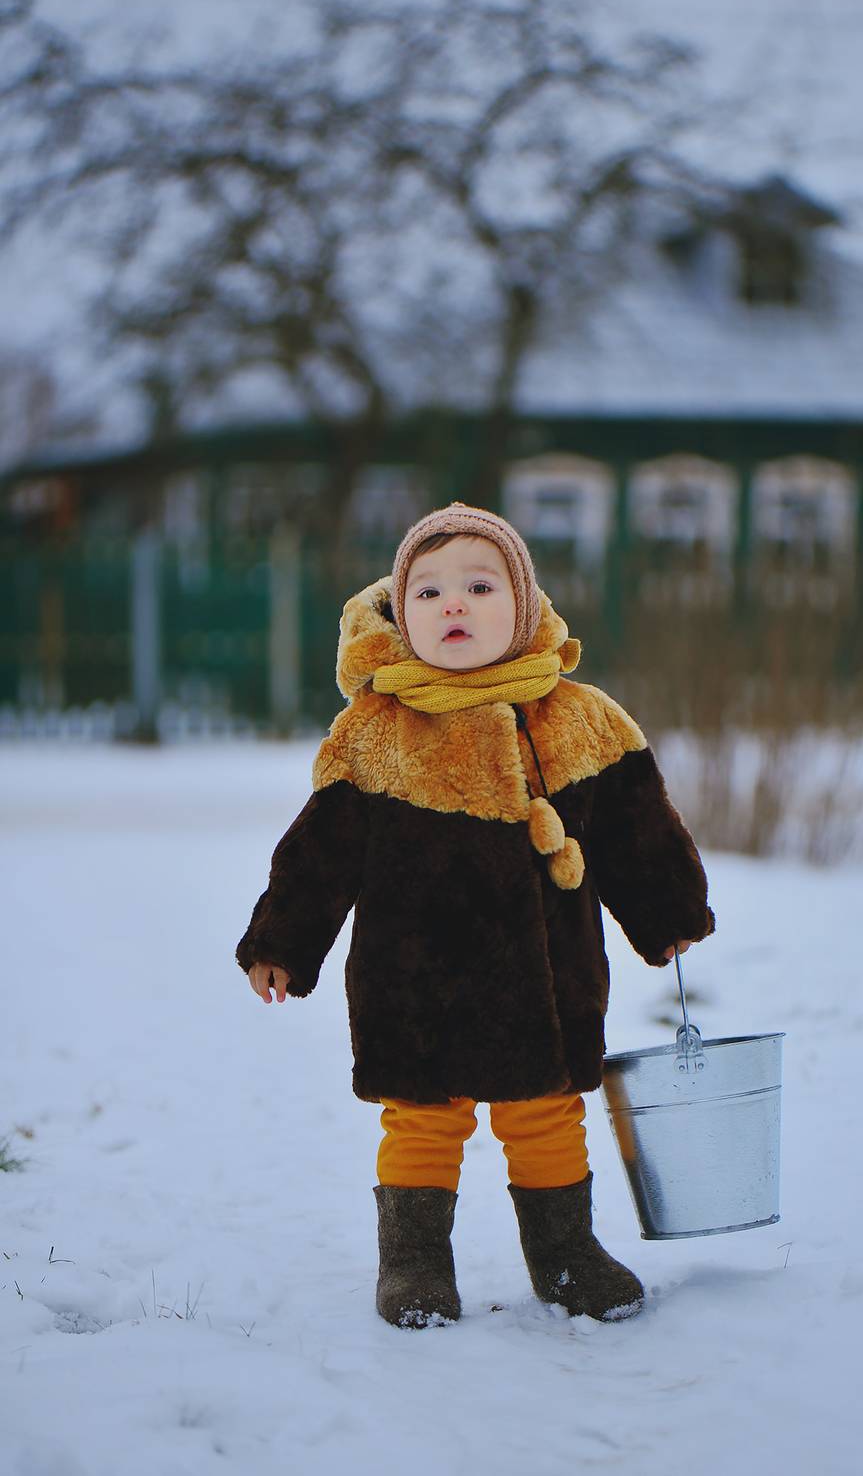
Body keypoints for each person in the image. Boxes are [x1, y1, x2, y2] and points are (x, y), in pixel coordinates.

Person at [236, 501, 715, 1329]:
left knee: (547, 1115)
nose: (452, 603)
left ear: (521, 605)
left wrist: (665, 910)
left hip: (547, 973)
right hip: (410, 978)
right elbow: (319, 851)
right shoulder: (375, 731)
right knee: (422, 1120)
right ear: (402, 612)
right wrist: (281, 940)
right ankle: (414, 1261)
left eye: (479, 586)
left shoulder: (579, 717)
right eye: (426, 592)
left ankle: (565, 1253)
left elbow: (636, 829)